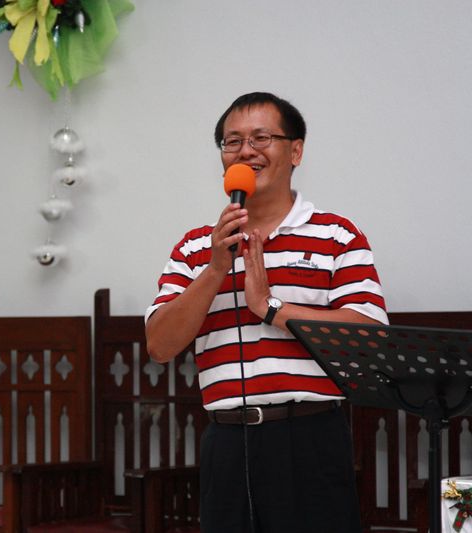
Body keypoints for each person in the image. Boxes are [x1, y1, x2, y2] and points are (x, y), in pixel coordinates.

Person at [145, 93, 388, 533]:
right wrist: (215, 269)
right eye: (232, 141)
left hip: (309, 437)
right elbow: (160, 346)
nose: (246, 151)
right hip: (226, 440)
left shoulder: (337, 235)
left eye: (261, 138)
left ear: (296, 151)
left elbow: (369, 337)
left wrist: (272, 308)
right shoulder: (196, 247)